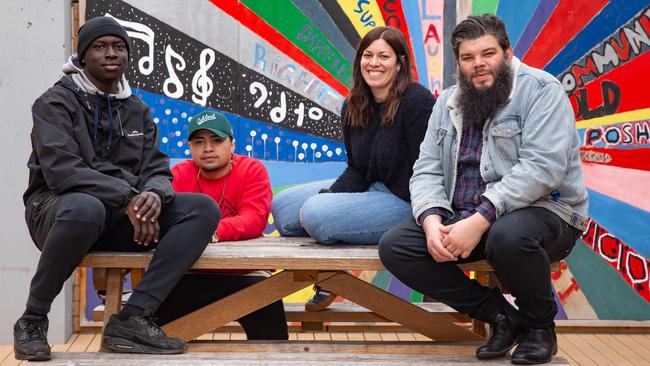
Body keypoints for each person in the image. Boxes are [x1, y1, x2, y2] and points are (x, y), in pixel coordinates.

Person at [378, 14, 588, 365]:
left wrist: (480, 219)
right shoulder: (446, 103)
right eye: (467, 57)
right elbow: (426, 169)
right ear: (458, 62)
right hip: (462, 218)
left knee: (506, 235)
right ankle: (503, 317)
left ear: (506, 52)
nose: (478, 65)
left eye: (487, 53)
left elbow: (542, 169)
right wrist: (431, 219)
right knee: (397, 246)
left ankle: (540, 329)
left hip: (547, 214)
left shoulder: (541, 90)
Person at [14, 16, 220, 360]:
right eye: (100, 46)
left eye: (119, 46)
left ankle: (133, 318)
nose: (111, 53)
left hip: (122, 216)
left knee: (201, 209)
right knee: (85, 207)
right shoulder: (54, 103)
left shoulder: (136, 109)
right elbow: (64, 172)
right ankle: (33, 319)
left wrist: (153, 196)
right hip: (57, 214)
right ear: (82, 58)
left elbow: (156, 168)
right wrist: (128, 196)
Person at [271, 26, 435, 311]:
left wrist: (322, 205)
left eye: (384, 56)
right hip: (371, 188)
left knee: (314, 214)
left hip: (409, 199)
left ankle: (333, 274)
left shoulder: (417, 102)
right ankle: (332, 273)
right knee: (284, 206)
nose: (374, 63)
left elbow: (430, 170)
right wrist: (329, 195)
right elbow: (357, 169)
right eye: (368, 55)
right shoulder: (354, 104)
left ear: (399, 63)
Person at [157, 110, 288, 340]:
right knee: (156, 333)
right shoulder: (179, 175)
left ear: (232, 144)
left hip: (246, 274)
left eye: (216, 140)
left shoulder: (251, 170)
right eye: (199, 142)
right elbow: (165, 223)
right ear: (190, 147)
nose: (208, 148)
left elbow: (254, 219)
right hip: (189, 275)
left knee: (271, 338)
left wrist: (207, 231)